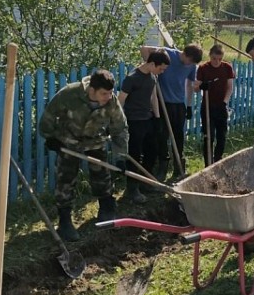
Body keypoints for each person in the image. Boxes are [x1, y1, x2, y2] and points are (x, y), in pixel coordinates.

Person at [39, 69, 128, 242]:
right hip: (69, 143)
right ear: (92, 90)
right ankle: (65, 221)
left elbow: (120, 128)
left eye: (110, 93)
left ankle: (107, 209)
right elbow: (49, 116)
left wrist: (121, 156)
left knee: (102, 175)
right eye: (104, 93)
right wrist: (50, 137)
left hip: (95, 141)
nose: (108, 97)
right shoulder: (69, 94)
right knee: (66, 181)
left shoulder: (111, 102)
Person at [117, 50, 170, 202]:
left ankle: (145, 182)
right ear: (152, 64)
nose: (162, 71)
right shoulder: (132, 78)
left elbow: (153, 96)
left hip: (147, 119)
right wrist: (119, 121)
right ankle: (132, 190)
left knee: (152, 151)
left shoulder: (152, 76)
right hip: (134, 121)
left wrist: (158, 118)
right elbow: (121, 100)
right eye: (161, 68)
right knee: (134, 155)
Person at [148, 43, 203, 180]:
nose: (189, 64)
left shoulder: (191, 65)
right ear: (185, 54)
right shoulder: (168, 53)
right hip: (163, 102)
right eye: (189, 61)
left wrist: (189, 106)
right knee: (162, 136)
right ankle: (163, 166)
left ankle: (179, 167)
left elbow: (190, 85)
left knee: (178, 136)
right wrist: (150, 65)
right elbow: (144, 49)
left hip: (179, 104)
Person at [194, 44, 235, 166]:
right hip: (207, 107)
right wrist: (201, 86)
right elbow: (196, 88)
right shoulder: (203, 68)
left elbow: (230, 87)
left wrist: (224, 102)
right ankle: (208, 164)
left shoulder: (227, 67)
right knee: (209, 137)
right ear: (210, 56)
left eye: (219, 59)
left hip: (221, 106)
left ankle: (217, 161)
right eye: (214, 59)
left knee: (221, 136)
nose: (216, 62)